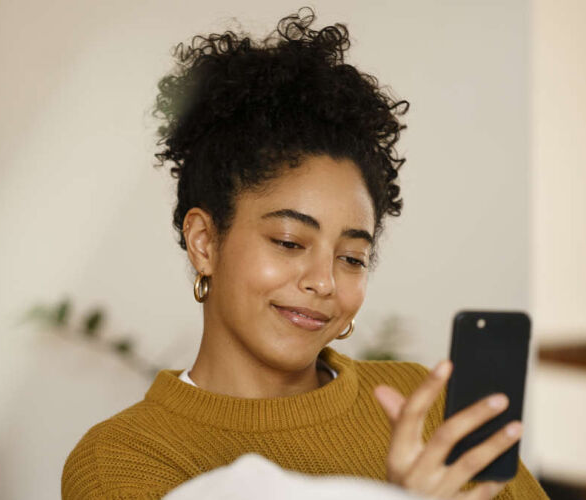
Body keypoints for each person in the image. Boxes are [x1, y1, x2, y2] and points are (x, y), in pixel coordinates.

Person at [61, 7, 548, 500]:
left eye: (352, 258)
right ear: (205, 242)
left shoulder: (421, 405)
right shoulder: (122, 458)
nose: (324, 281)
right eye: (290, 243)